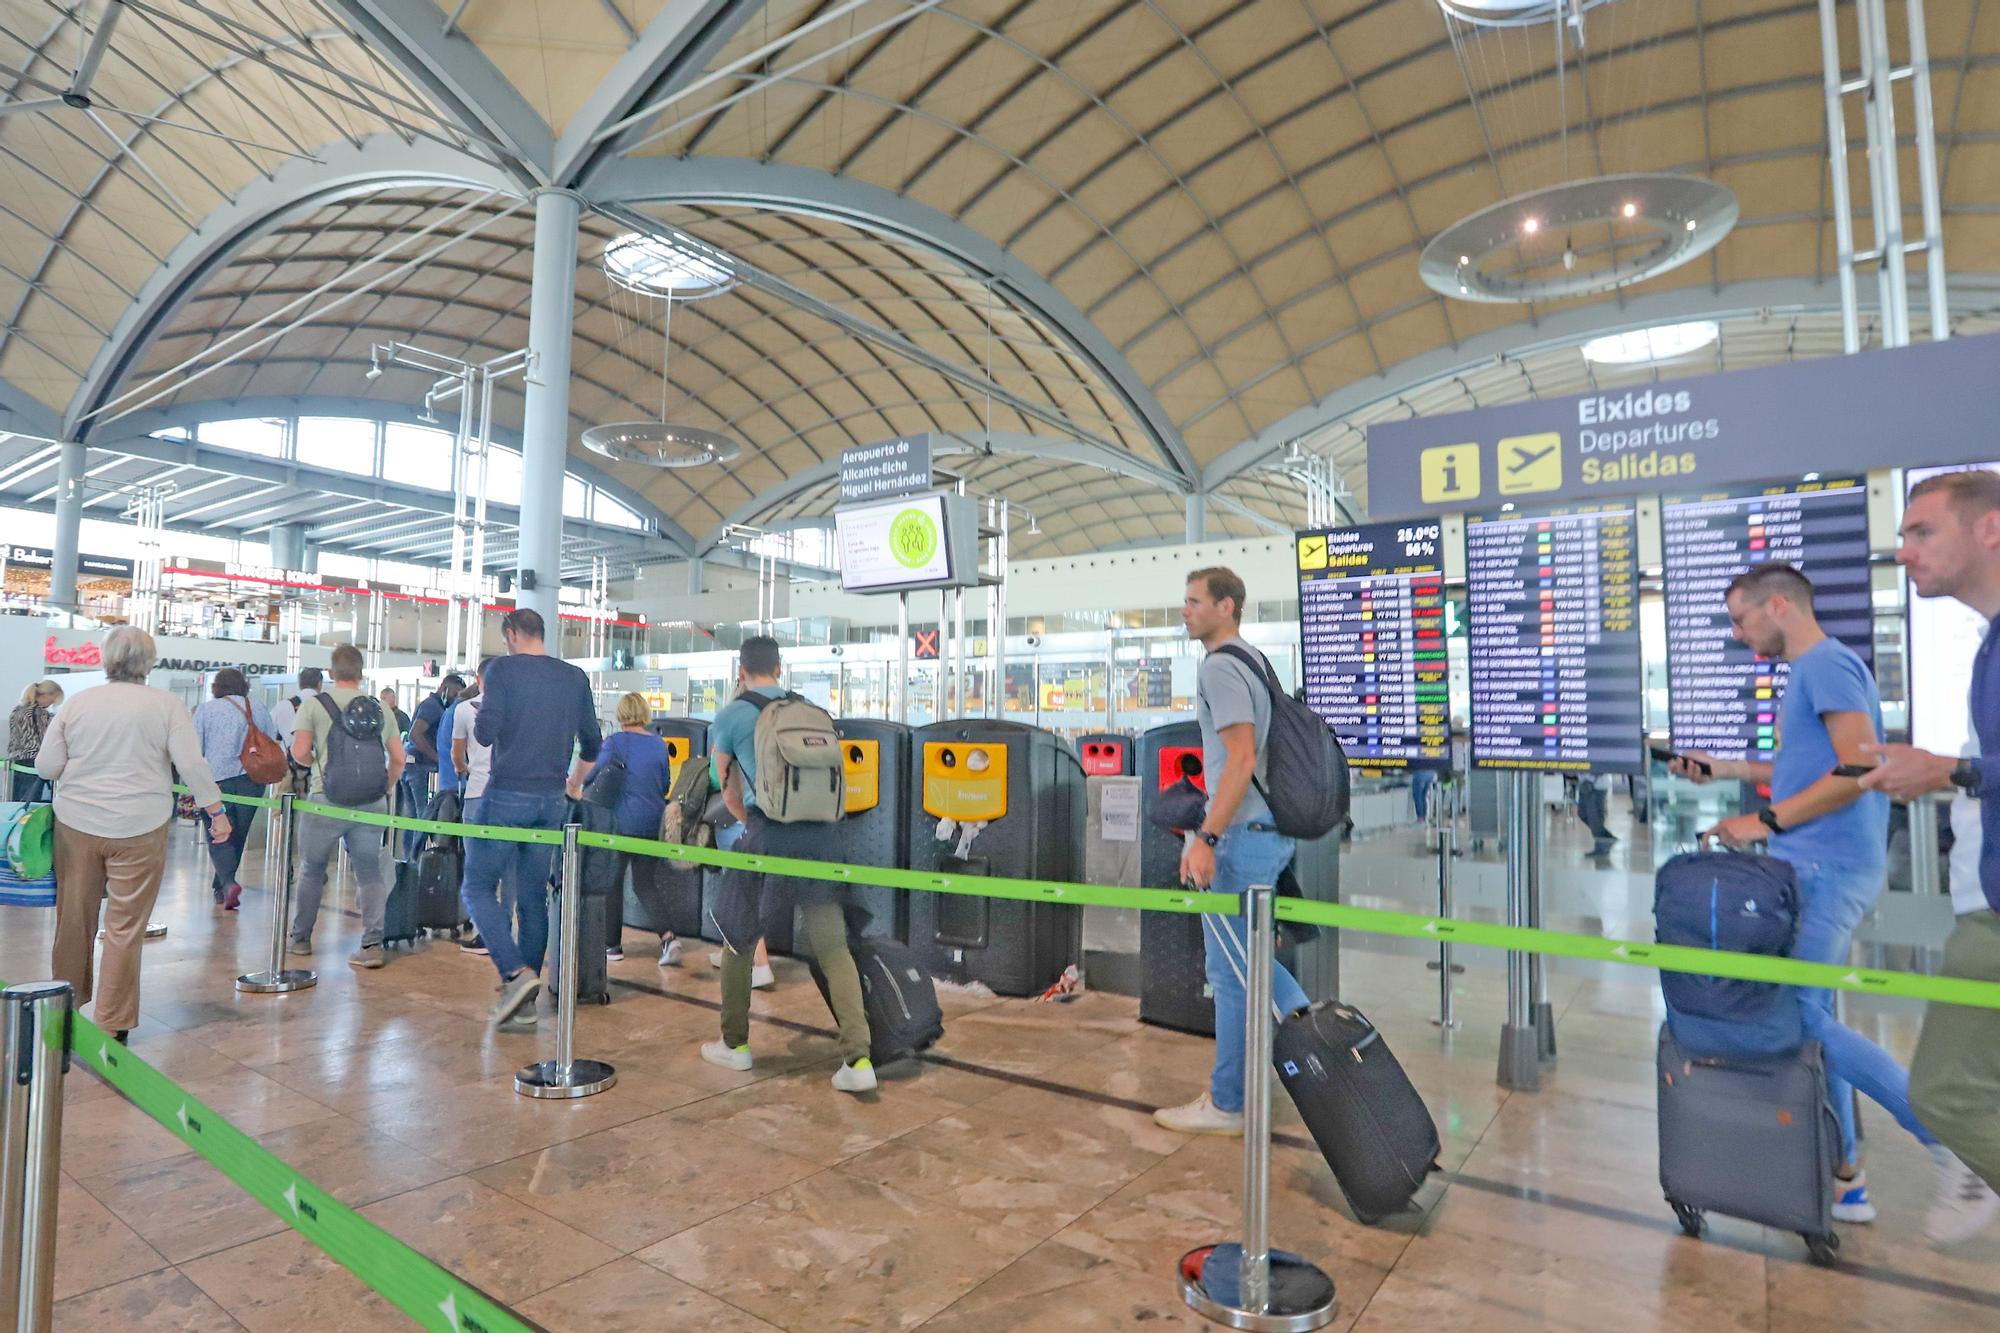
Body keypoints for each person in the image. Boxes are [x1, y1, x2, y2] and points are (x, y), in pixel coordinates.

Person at [1675, 562, 1979, 1234]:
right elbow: (1806, 767)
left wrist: (1768, 821)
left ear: (1778, 605)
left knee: (1800, 1019)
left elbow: (1859, 768)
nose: (1737, 632)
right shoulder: (1818, 672)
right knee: (1806, 1015)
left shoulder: (1825, 666)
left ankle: (1949, 1143)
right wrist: (1724, 768)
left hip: (1828, 867)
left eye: (1741, 617)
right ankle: (1845, 1177)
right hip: (1816, 864)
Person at [1857, 469, 2000, 1241]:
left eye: (1922, 532)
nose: (1904, 551)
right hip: (1986, 898)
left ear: (1990, 529)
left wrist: (1949, 770)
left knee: (1948, 1094)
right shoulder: (1989, 645)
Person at [1155, 568, 1311, 1136]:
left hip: (1241, 837)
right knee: (1250, 965)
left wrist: (1207, 839)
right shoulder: (1254, 660)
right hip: (1267, 832)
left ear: (1227, 606)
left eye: (1195, 601)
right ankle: (1320, 1041)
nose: (1185, 610)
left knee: (1229, 974)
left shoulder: (1221, 667)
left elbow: (1241, 761)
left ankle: (1229, 1103)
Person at [35, 627, 230, 1043]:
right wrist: (216, 811)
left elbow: (47, 766)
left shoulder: (79, 703)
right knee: (126, 926)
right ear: (150, 662)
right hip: (142, 826)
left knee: (74, 920)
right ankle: (113, 1020)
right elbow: (191, 764)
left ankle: (64, 1007)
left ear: (106, 659)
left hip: (77, 824)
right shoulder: (167, 705)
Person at [698, 635, 875, 1092]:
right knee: (834, 949)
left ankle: (734, 1046)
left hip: (767, 836)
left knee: (738, 938)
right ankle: (858, 1062)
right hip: (822, 839)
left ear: (742, 670)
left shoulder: (733, 714)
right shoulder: (808, 711)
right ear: (779, 668)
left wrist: (750, 822)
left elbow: (727, 786)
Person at [466, 609, 600, 1028]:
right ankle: (523, 1002)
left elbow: (486, 733)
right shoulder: (574, 676)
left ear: (511, 634)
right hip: (551, 800)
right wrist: (573, 784)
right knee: (532, 898)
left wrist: (489, 697)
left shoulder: (502, 670)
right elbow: (593, 744)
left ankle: (516, 973)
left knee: (476, 888)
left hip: (507, 793)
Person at [288, 644, 406, 969]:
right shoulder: (381, 707)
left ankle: (301, 939)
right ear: (361, 673)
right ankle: (372, 944)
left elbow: (299, 752)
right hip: (372, 801)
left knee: (312, 870)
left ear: (330, 672)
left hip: (324, 800)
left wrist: (317, 767)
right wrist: (386, 785)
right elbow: (399, 758)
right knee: (369, 873)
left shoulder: (313, 705)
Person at [569, 692, 675, 965]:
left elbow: (593, 774)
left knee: (613, 883)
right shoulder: (659, 745)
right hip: (652, 822)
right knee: (645, 883)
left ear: (621, 714)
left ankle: (612, 945)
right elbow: (665, 784)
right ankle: (669, 938)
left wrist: (575, 786)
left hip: (620, 823)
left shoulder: (616, 743)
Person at [190, 668, 279, 910]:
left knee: (218, 832)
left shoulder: (206, 710)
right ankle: (222, 888)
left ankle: (227, 883)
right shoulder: (257, 706)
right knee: (238, 833)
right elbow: (271, 738)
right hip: (252, 780)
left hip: (217, 781)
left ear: (217, 686)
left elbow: (194, 748)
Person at [449, 661, 496, 957]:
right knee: (510, 870)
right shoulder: (514, 708)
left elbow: (457, 751)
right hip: (507, 795)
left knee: (478, 868)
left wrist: (462, 767)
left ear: (478, 679)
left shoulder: (464, 710)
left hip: (477, 793)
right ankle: (505, 931)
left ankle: (484, 933)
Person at [404, 673, 464, 858]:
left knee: (414, 818)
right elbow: (415, 734)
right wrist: (438, 758)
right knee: (425, 818)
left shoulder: (434, 706)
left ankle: (411, 861)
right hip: (421, 769)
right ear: (445, 688)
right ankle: (420, 862)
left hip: (413, 767)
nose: (455, 697)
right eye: (455, 692)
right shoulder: (432, 706)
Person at [9, 679, 62, 801]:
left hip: (17, 760)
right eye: (54, 699)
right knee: (31, 800)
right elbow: (48, 739)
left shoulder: (17, 710)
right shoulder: (40, 713)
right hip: (35, 760)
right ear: (47, 695)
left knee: (17, 799)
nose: (52, 703)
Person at [270, 667, 324, 745]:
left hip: (288, 755)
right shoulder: (326, 705)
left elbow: (270, 731)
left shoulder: (283, 706)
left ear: (300, 684)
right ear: (319, 684)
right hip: (321, 756)